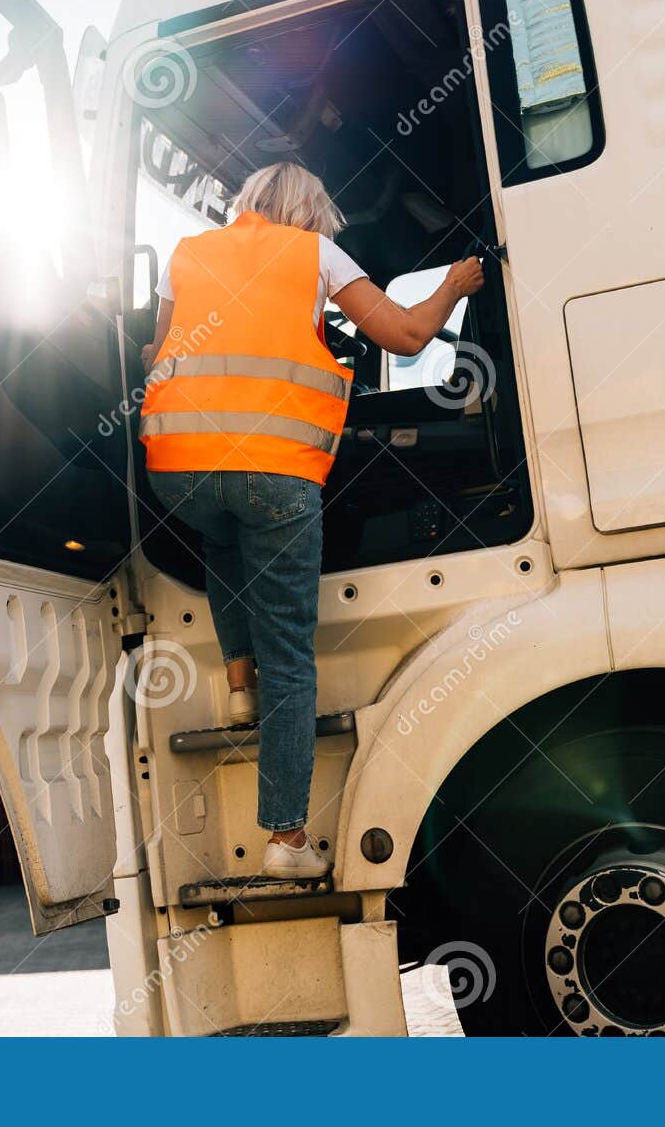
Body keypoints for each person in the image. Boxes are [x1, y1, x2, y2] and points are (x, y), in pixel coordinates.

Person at [140, 162, 485, 879]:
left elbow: (157, 352)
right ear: (307, 210)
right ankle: (286, 839)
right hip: (275, 471)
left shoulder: (187, 254)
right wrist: (454, 286)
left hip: (177, 468)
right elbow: (405, 337)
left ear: (246, 203)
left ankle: (239, 687)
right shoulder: (316, 253)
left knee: (221, 528)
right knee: (291, 654)